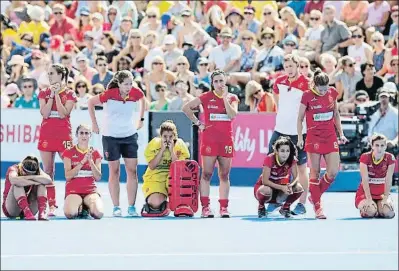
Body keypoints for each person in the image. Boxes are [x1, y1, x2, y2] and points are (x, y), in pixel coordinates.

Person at [88, 70, 145, 217]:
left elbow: (143, 98)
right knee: (114, 171)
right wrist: (94, 124)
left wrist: (141, 119)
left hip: (129, 135)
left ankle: (132, 207)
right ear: (119, 84)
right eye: (126, 84)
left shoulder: (136, 93)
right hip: (111, 136)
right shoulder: (109, 94)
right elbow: (91, 102)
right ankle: (116, 206)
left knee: (132, 171)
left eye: (131, 83)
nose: (129, 87)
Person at [182, 70, 238, 218]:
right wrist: (198, 123)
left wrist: (225, 98)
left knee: (224, 175)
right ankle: (205, 208)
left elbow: (232, 115)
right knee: (206, 174)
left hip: (226, 141)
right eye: (216, 81)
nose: (219, 84)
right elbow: (186, 108)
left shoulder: (232, 98)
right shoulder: (206, 97)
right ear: (212, 84)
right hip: (209, 141)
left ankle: (224, 208)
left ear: (226, 81)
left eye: (221, 81)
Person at [297, 69, 348, 219]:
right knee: (315, 172)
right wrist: (300, 137)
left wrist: (341, 133)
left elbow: (336, 114)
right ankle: (318, 208)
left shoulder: (332, 92)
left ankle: (314, 195)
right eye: (321, 88)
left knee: (333, 171)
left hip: (330, 136)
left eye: (326, 87)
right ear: (315, 85)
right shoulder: (307, 95)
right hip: (314, 138)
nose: (324, 91)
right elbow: (299, 118)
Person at [267, 54, 309, 215]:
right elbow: (278, 102)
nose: (289, 69)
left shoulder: (306, 83)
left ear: (298, 65)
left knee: (301, 168)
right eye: (286, 67)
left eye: (292, 66)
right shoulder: (279, 81)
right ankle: (275, 199)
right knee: (272, 164)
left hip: (299, 132)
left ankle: (302, 203)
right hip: (280, 129)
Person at [38, 64, 77, 216]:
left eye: (52, 73)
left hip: (63, 134)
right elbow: (45, 113)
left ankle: (72, 202)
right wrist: (51, 96)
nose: (49, 76)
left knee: (70, 169)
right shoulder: (43, 93)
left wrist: (57, 96)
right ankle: (51, 205)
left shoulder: (70, 94)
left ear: (61, 75)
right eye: (48, 74)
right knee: (48, 170)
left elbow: (63, 114)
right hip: (47, 133)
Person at [141, 120, 190, 216]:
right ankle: (163, 204)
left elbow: (179, 167)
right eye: (165, 137)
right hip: (156, 177)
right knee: (155, 204)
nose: (167, 139)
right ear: (161, 136)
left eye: (171, 137)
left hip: (173, 177)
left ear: (175, 136)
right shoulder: (154, 144)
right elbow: (152, 166)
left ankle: (178, 203)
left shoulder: (179, 145)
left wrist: (172, 151)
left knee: (181, 181)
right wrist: (162, 150)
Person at [254, 136, 304, 218]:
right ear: (277, 151)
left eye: (287, 151)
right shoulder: (269, 158)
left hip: (280, 190)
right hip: (265, 189)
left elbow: (296, 177)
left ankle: (285, 208)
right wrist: (281, 187)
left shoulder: (292, 159)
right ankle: (261, 207)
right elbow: (265, 181)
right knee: (265, 190)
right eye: (282, 151)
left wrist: (291, 185)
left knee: (299, 188)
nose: (285, 154)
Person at [62, 124, 104, 219]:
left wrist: (91, 162)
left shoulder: (95, 153)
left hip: (90, 191)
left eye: (86, 133)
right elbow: (68, 176)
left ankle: (86, 207)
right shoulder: (69, 152)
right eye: (81, 133)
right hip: (73, 191)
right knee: (70, 214)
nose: (84, 136)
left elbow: (98, 177)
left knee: (98, 214)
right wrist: (82, 162)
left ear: (90, 135)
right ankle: (79, 205)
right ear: (77, 135)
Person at [355, 134, 396, 219]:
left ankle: (379, 208)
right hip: (365, 194)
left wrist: (385, 198)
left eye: (382, 145)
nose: (379, 148)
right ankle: (370, 209)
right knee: (370, 212)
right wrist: (369, 199)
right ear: (372, 146)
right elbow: (365, 179)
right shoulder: (365, 157)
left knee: (389, 214)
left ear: (385, 146)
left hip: (381, 194)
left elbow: (388, 180)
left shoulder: (390, 158)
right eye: (377, 145)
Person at [2, 155, 52, 220]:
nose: (28, 174)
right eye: (26, 173)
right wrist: (34, 181)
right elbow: (13, 179)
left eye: (30, 173)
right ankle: (26, 212)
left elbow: (48, 180)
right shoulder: (13, 169)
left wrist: (29, 177)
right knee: (17, 184)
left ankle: (42, 213)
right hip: (12, 209)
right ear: (21, 167)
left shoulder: (37, 170)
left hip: (30, 208)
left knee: (42, 185)